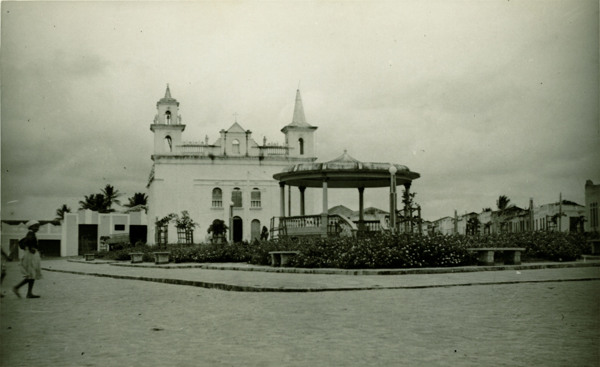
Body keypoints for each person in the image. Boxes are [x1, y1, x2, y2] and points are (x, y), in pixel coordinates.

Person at [13, 220, 43, 299]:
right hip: (30, 255)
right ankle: (17, 288)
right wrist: (30, 248)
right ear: (31, 227)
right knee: (31, 274)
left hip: (31, 254)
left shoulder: (31, 234)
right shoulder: (31, 234)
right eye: (36, 226)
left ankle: (29, 293)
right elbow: (28, 241)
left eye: (38, 226)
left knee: (32, 275)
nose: (37, 228)